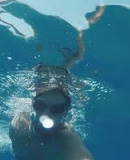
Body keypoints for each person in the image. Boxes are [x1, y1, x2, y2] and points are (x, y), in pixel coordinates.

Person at [9, 31, 94, 160]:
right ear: (32, 105)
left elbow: (79, 154)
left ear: (66, 111)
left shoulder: (67, 138)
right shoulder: (19, 127)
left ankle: (71, 61)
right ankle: (69, 61)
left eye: (57, 109)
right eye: (40, 105)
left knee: (64, 68)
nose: (46, 114)